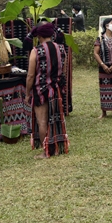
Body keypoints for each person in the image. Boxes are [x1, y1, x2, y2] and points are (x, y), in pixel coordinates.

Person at [26, 22, 69, 157]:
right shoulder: (62, 49)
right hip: (56, 89)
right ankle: (57, 146)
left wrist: (27, 93)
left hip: (41, 91)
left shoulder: (36, 51)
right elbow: (64, 71)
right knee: (55, 119)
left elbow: (31, 75)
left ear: (38, 35)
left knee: (42, 121)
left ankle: (47, 151)